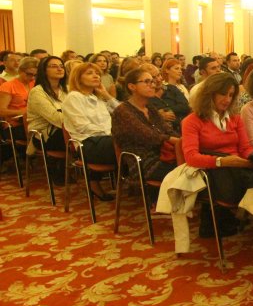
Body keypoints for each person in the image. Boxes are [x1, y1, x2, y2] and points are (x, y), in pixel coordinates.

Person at [181, 73, 253, 238]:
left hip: (238, 165)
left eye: (231, 95)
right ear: (210, 94)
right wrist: (223, 161)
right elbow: (191, 157)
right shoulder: (192, 121)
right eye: (223, 94)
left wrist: (252, 158)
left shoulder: (235, 118)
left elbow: (245, 148)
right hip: (214, 170)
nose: (227, 99)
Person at [112, 69, 179, 202]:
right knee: (187, 171)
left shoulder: (150, 108)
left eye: (152, 81)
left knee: (195, 166)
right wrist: (176, 141)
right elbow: (149, 136)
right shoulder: (123, 111)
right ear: (132, 86)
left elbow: (167, 129)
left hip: (162, 153)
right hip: (141, 161)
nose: (153, 85)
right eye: (147, 82)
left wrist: (183, 139)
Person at [62, 62, 121, 201]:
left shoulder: (98, 97)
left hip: (106, 140)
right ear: (78, 78)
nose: (96, 76)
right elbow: (82, 126)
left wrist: (106, 95)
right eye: (89, 73)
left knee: (136, 142)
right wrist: (111, 133)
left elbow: (123, 113)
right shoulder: (74, 97)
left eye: (97, 74)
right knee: (129, 143)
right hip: (87, 143)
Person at [26, 56, 67, 181]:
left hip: (66, 130)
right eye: (54, 66)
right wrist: (77, 118)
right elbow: (56, 118)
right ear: (44, 71)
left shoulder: (66, 89)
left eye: (61, 66)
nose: (59, 69)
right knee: (83, 138)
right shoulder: (37, 92)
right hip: (44, 135)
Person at [0, 56, 37, 143]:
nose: (32, 77)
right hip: (15, 126)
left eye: (35, 75)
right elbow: (1, 111)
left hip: (33, 122)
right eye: (29, 74)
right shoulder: (8, 86)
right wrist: (22, 112)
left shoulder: (35, 84)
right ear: (20, 71)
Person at [160, 58, 190, 131]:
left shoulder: (182, 86)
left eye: (180, 69)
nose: (180, 71)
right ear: (167, 70)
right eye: (176, 69)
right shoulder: (163, 87)